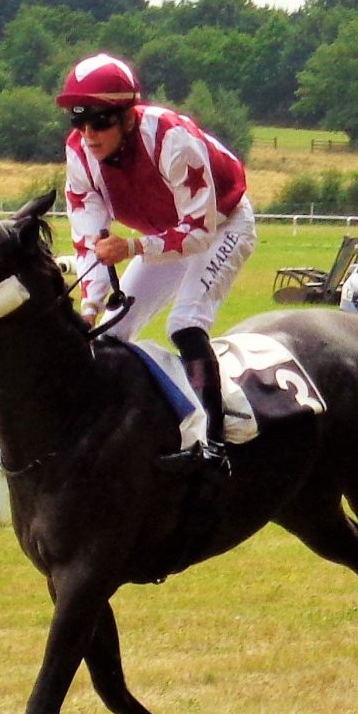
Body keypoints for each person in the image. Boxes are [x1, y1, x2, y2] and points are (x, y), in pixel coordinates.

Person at [59, 53, 255, 474]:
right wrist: (90, 306)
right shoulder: (79, 153)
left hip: (221, 223)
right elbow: (89, 239)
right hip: (162, 231)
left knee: (184, 323)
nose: (89, 135)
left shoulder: (172, 141)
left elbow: (199, 234)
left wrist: (131, 248)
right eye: (79, 122)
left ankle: (214, 444)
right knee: (111, 333)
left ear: (128, 117)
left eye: (100, 122)